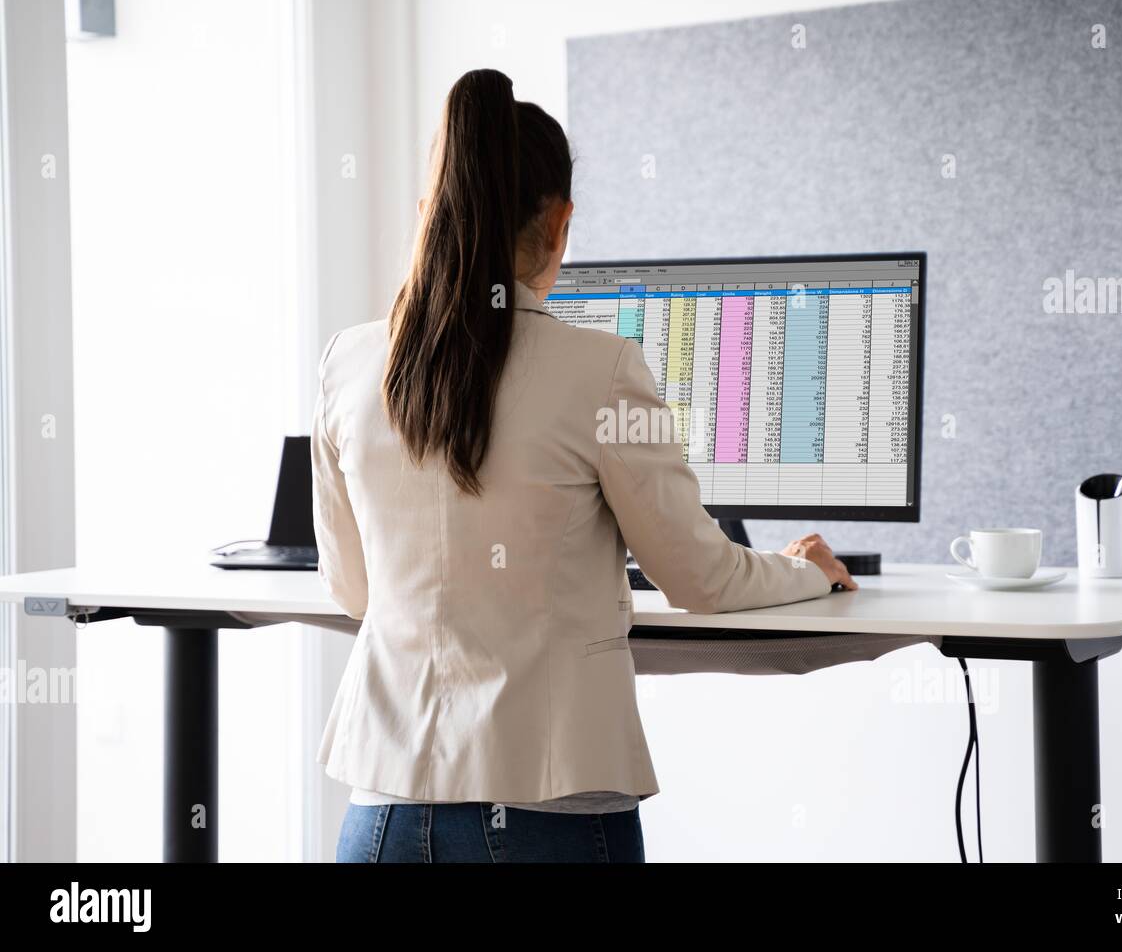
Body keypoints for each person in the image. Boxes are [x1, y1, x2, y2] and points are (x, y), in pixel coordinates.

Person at [312, 68, 855, 864]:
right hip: (550, 816)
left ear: (435, 213)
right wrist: (805, 569)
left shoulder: (349, 362)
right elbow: (700, 582)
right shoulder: (601, 369)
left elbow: (353, 591)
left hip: (383, 818)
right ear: (561, 225)